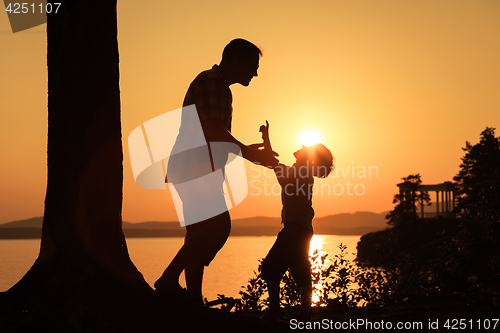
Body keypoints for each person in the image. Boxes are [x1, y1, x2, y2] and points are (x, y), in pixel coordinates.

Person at [154, 39, 278, 305]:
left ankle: (193, 301)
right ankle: (167, 279)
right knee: (217, 227)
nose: (255, 73)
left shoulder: (217, 85)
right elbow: (211, 130)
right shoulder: (213, 82)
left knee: (198, 234)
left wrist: (248, 152)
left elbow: (215, 133)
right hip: (195, 168)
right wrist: (250, 153)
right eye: (253, 66)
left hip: (193, 168)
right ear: (236, 59)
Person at [261, 142, 334, 320]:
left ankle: (277, 311)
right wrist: (266, 140)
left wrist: (267, 145)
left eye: (307, 147)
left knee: (272, 267)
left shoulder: (301, 171)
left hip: (295, 229)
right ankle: (304, 310)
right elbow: (275, 166)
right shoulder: (301, 170)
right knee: (298, 268)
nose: (302, 145)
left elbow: (279, 174)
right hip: (299, 228)